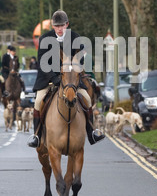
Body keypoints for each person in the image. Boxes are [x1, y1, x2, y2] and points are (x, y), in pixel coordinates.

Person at [27, 9, 105, 148]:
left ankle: (91, 132)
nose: (59, 29)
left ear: (67, 24)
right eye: (56, 26)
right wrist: (55, 78)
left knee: (86, 98)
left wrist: (73, 73)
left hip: (71, 80)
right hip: (49, 80)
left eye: (62, 25)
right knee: (38, 101)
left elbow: (80, 59)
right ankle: (37, 135)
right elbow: (42, 63)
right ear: (52, 26)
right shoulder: (44, 39)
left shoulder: (75, 37)